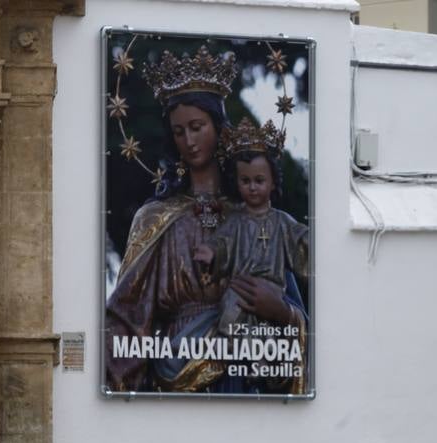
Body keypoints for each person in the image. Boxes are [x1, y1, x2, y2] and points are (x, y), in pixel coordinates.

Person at [104, 45, 307, 394]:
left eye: (197, 127)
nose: (189, 141)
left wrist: (281, 312)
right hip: (175, 374)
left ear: (217, 125)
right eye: (179, 131)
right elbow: (127, 321)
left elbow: (294, 313)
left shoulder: (259, 217)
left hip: (246, 369)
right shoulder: (154, 219)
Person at [193, 118, 309, 339]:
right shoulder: (235, 220)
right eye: (245, 181)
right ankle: (229, 346)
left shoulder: (282, 222)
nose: (252, 187)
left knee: (267, 333)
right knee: (230, 314)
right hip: (239, 286)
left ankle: (261, 361)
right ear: (237, 183)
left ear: (273, 182)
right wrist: (211, 252)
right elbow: (222, 242)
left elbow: (300, 240)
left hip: (272, 289)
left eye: (259, 180)